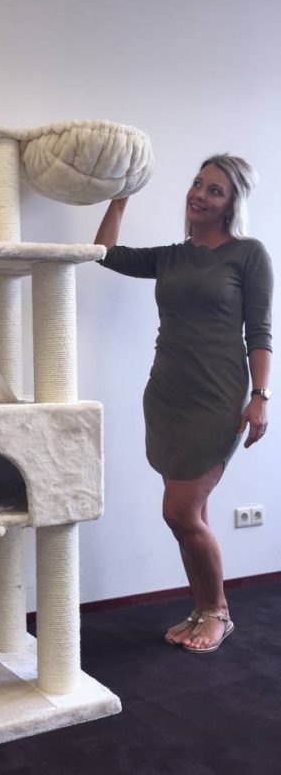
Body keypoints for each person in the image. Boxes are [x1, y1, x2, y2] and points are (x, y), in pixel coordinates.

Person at [95, 154, 273, 653]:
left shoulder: (248, 254)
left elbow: (259, 331)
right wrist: (121, 196)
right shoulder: (171, 257)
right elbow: (102, 253)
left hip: (217, 395)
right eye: (197, 183)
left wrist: (260, 395)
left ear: (231, 203)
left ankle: (218, 612)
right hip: (167, 393)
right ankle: (200, 608)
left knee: (180, 511)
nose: (199, 194)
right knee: (190, 514)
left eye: (215, 190)